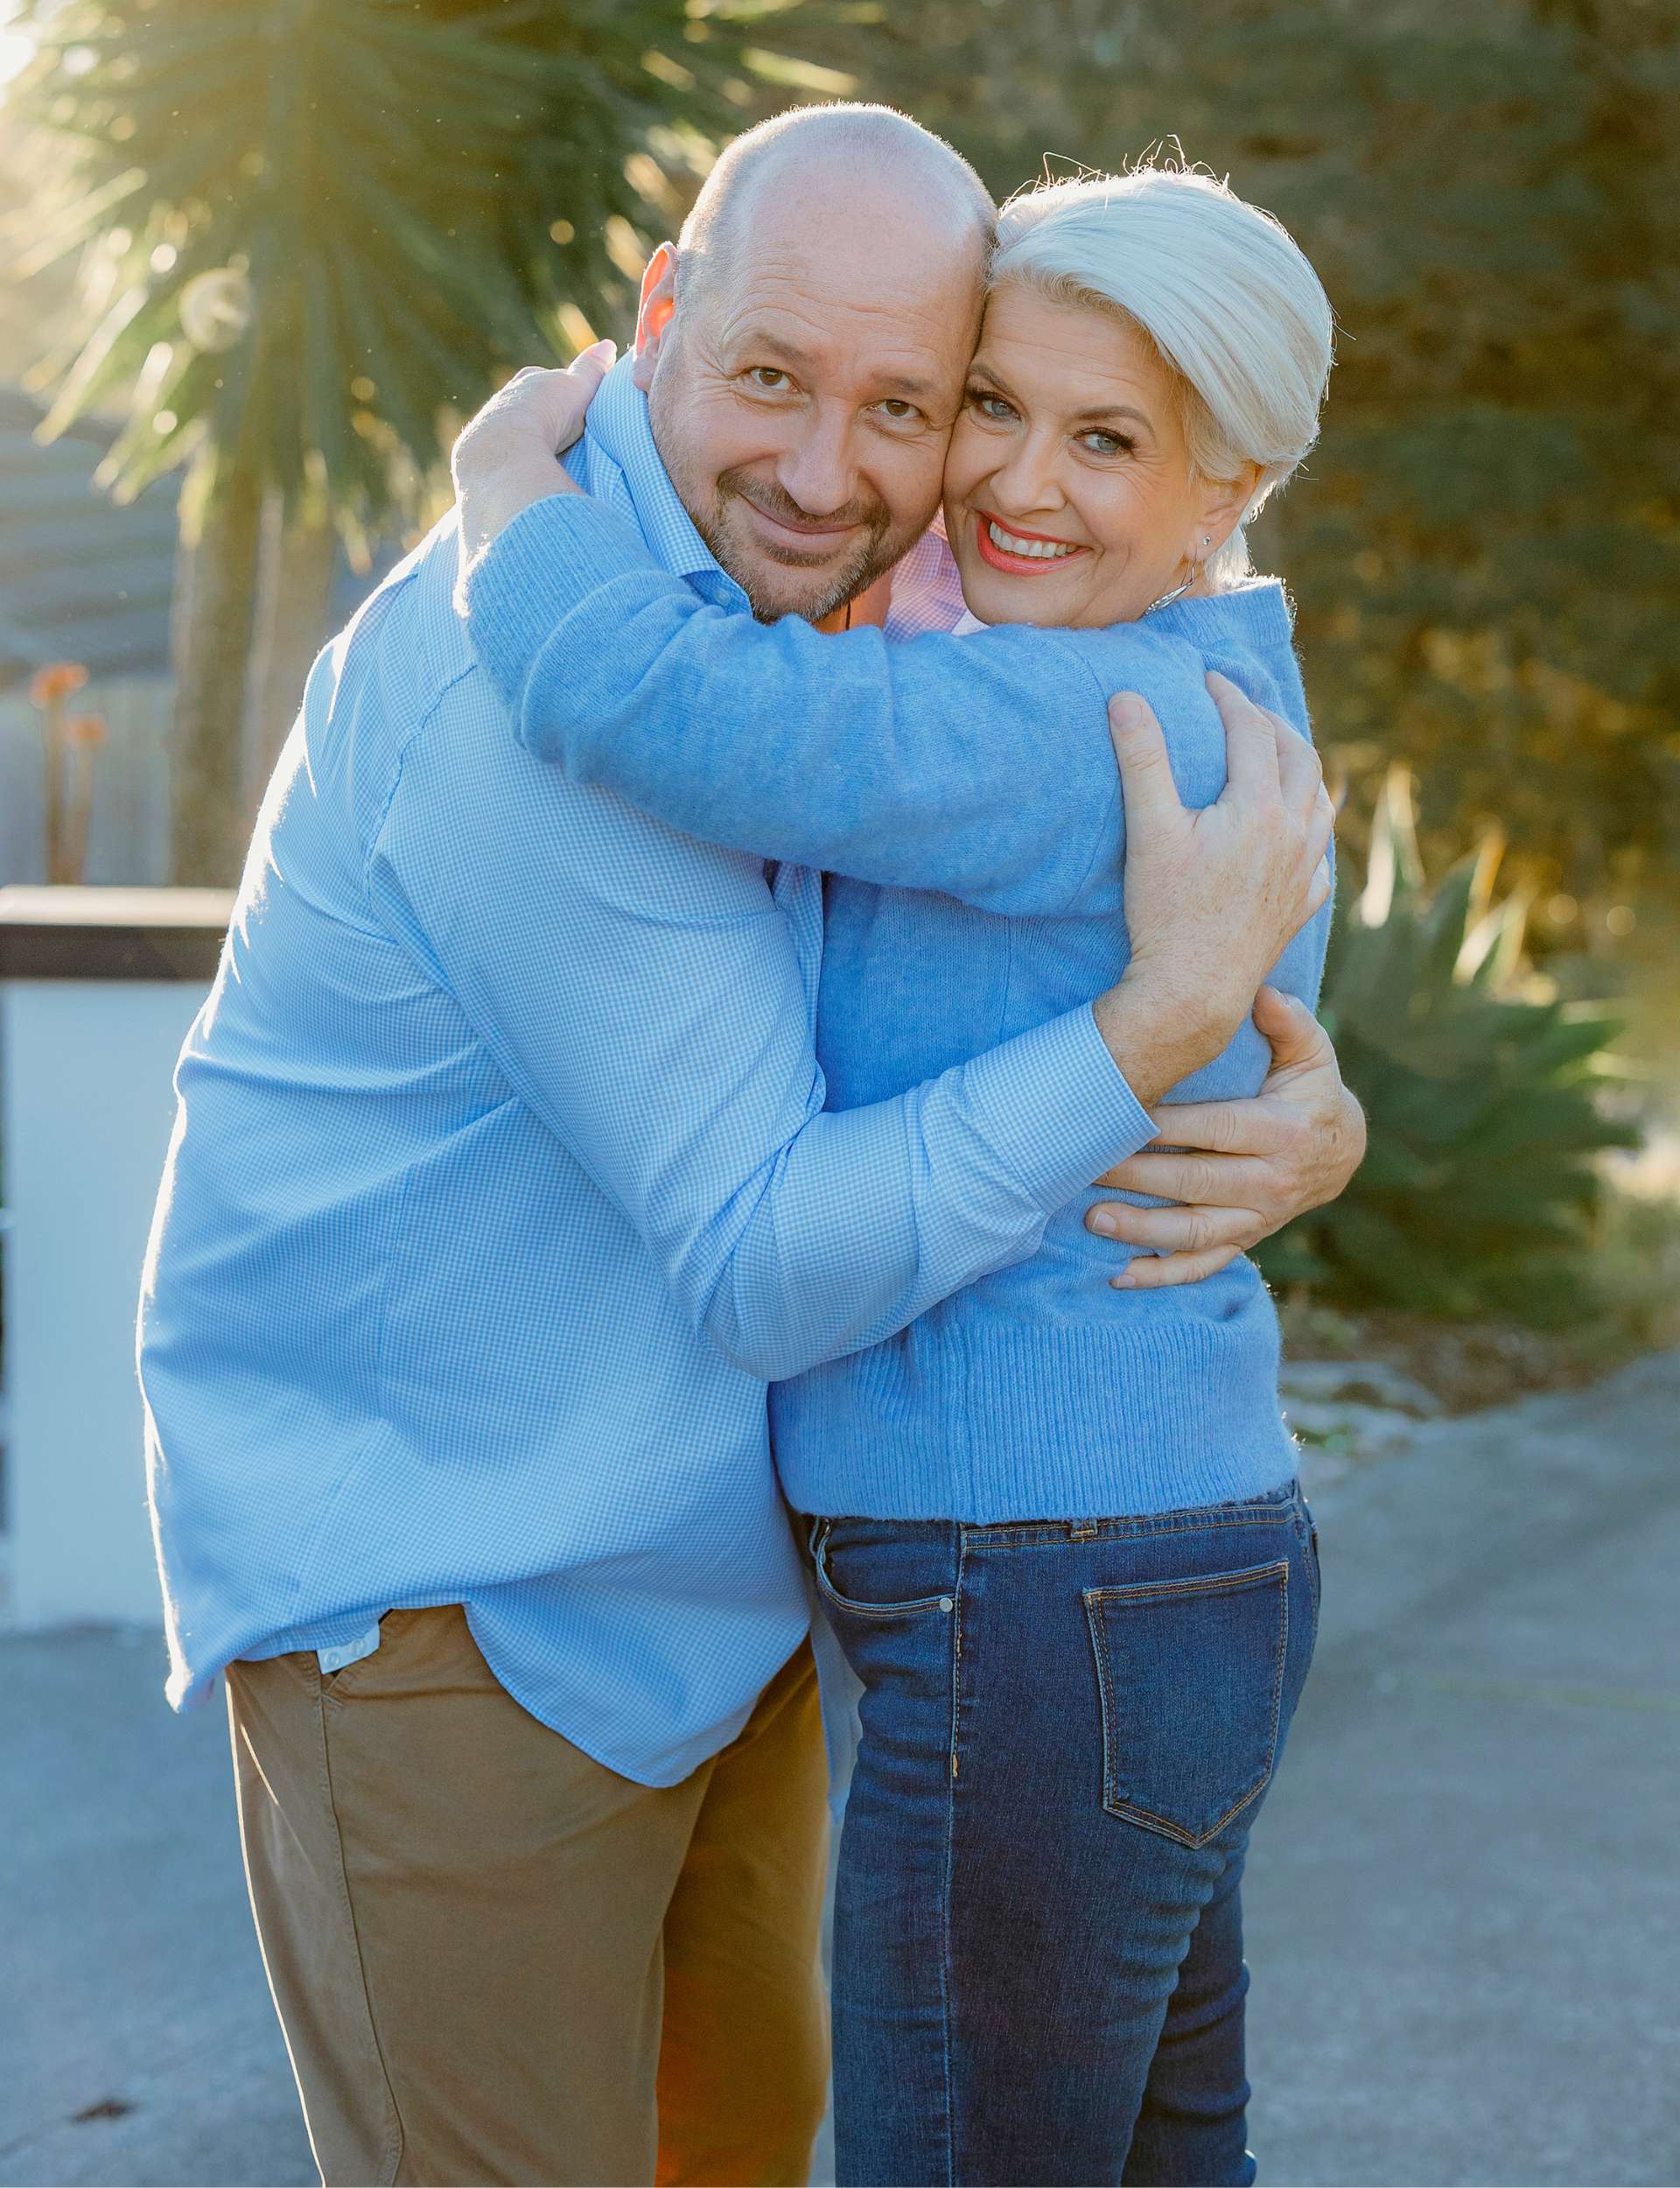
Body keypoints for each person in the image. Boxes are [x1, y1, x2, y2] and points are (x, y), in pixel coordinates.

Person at [139, 105, 1359, 2188]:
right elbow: (778, 1238)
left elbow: (829, 776)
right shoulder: (551, 686)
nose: (846, 468)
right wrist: (1157, 1036)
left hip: (858, 1594)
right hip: (475, 1613)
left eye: (910, 403)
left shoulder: (964, 665)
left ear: (1225, 483)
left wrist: (1293, 1095)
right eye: (780, 375)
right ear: (660, 315)